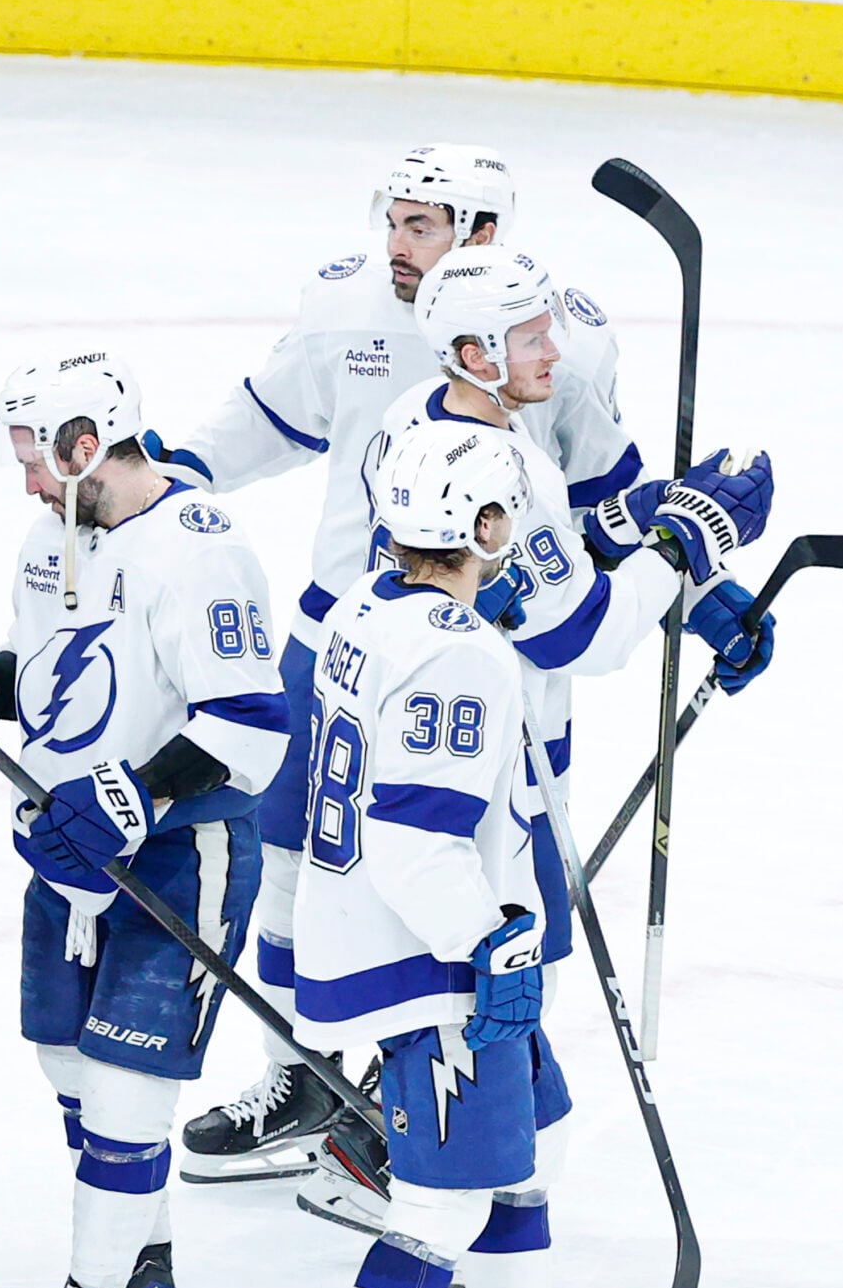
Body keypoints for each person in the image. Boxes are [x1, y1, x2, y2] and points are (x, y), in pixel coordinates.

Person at [161, 145, 654, 1185]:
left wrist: (673, 559)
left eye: (422, 224)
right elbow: (266, 412)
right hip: (339, 637)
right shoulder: (348, 312)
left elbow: (607, 494)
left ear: (482, 232)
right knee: (300, 877)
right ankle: (307, 1079)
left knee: (466, 884)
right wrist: (177, 470)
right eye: (393, 218)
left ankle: (436, 1121)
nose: (394, 243)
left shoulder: (544, 340)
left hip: (484, 658)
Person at [295, 245, 775, 1232]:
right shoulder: (505, 462)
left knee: (465, 987)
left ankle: (400, 1150)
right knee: (491, 987)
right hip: (485, 764)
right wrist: (696, 544)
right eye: (528, 335)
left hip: (427, 735)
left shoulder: (419, 428)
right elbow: (577, 632)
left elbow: (540, 564)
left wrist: (694, 583)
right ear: (472, 350)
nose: (553, 351)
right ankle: (432, 1185)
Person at [0, 351, 287, 1288]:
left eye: (35, 457)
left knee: (127, 1093)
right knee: (68, 1065)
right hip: (68, 855)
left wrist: (143, 797)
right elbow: (61, 687)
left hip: (179, 854)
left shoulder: (200, 551)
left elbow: (248, 723)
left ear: (84, 445)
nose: (23, 479)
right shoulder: (52, 538)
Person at [293, 421, 616, 1288]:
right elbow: (416, 842)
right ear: (482, 525)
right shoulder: (461, 656)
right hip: (421, 958)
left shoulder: (365, 608)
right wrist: (493, 950)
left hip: (369, 934)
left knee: (537, 1147)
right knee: (439, 1204)